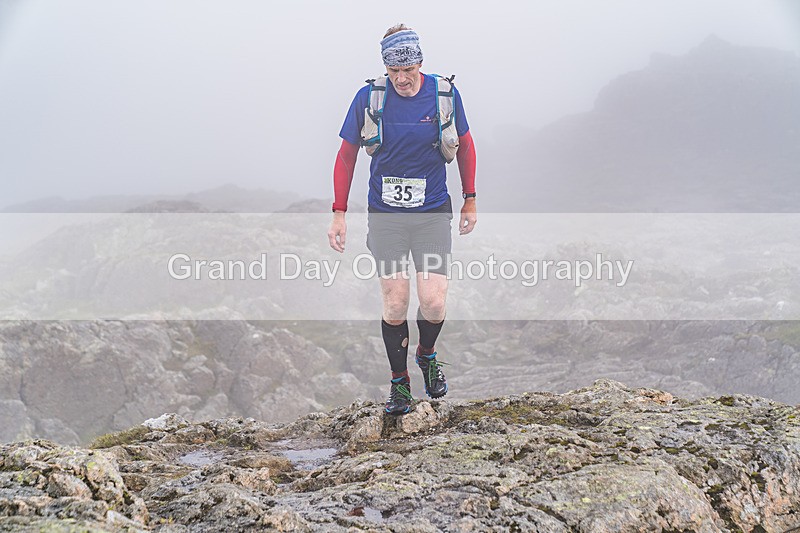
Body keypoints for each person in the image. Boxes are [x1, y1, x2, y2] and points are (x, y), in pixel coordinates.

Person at [327, 24, 477, 415]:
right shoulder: (369, 98)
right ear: (386, 69)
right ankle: (400, 386)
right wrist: (339, 212)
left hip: (430, 215)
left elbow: (466, 146)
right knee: (395, 302)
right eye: (394, 72)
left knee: (433, 301)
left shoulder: (444, 94)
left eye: (408, 70)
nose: (402, 79)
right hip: (387, 216)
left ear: (419, 63)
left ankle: (426, 356)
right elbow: (346, 157)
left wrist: (470, 199)